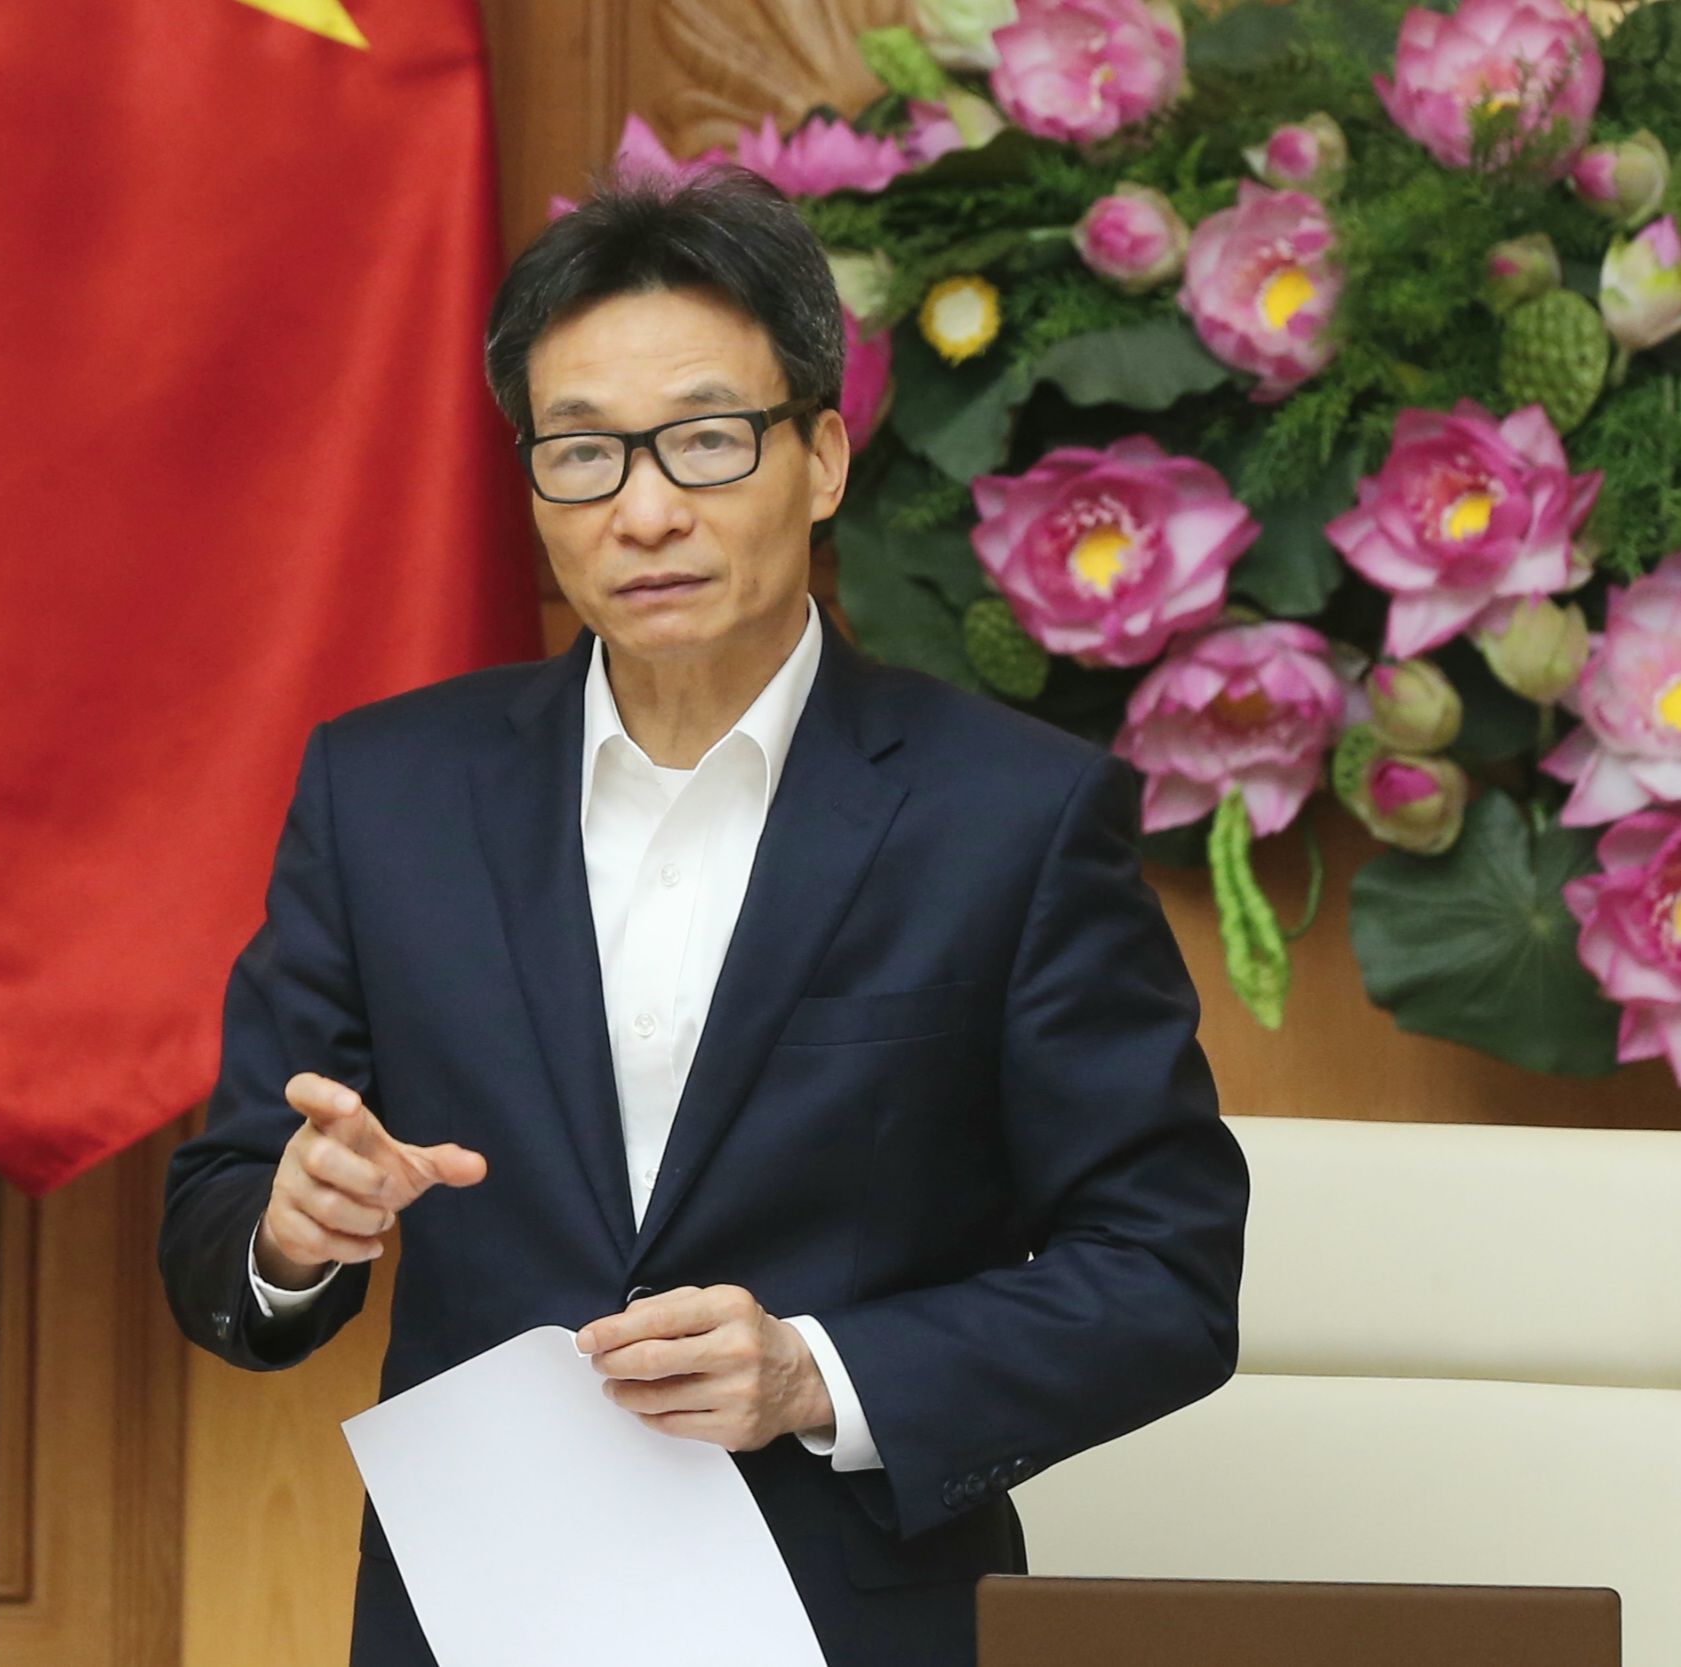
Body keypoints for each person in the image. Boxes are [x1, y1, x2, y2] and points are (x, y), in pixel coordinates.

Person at [159, 168, 1249, 1667]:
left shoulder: (1013, 816)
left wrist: (815, 1374)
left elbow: (1164, 1273)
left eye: (707, 439)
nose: (646, 510)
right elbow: (221, 1209)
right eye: (583, 455)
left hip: (851, 1624)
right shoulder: (387, 793)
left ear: (822, 458)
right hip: (474, 1613)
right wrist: (292, 1235)